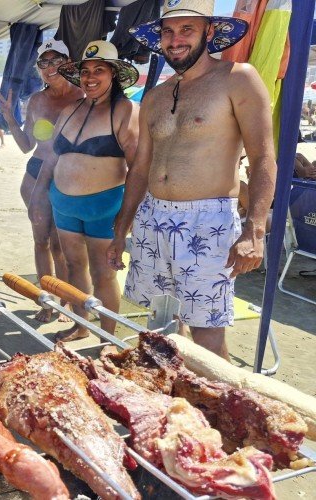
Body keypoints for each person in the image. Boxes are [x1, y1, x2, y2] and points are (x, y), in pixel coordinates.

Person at [107, 0, 276, 359]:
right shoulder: (154, 97)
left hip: (208, 221)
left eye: (187, 30)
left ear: (209, 32)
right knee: (156, 323)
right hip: (153, 217)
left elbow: (263, 158)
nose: (175, 39)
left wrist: (254, 230)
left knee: (206, 332)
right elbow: (139, 169)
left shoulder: (238, 78)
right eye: (168, 32)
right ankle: (170, 406)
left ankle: (220, 411)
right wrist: (121, 227)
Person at [29, 40, 140, 340]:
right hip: (63, 205)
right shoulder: (71, 109)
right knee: (75, 266)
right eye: (86, 70)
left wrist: (124, 225)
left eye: (99, 70)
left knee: (103, 274)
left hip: (102, 208)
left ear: (113, 74)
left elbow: (138, 171)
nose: (91, 77)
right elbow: (51, 157)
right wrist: (38, 198)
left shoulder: (124, 110)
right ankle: (81, 325)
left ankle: (107, 337)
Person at [0, 40, 84, 323]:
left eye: (55, 60)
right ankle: (46, 302)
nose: (50, 68)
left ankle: (66, 302)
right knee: (40, 241)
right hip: (35, 176)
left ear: (68, 62)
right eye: (43, 63)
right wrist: (10, 118)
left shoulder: (82, 97)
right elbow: (26, 145)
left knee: (62, 245)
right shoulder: (36, 100)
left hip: (68, 178)